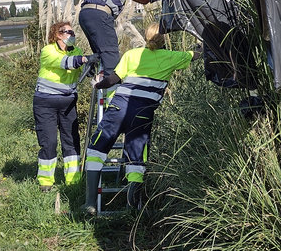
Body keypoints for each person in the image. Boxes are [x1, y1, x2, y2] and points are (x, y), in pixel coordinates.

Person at [82, 23, 196, 214]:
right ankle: (133, 209)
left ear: (146, 36)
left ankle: (90, 203)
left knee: (96, 149)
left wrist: (97, 85)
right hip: (142, 113)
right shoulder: (171, 57)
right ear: (164, 38)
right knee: (136, 158)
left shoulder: (132, 54)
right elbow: (195, 55)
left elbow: (114, 79)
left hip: (119, 107)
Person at [33, 21, 93, 192]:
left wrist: (91, 65)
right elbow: (66, 62)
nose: (72, 35)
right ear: (58, 35)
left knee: (71, 140)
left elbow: (81, 66)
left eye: (73, 32)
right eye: (68, 32)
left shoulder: (76, 51)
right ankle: (46, 181)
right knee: (49, 141)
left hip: (68, 102)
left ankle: (73, 181)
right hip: (45, 102)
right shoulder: (48, 51)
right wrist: (84, 59)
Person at [78, 0, 153, 83]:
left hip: (86, 14)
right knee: (111, 60)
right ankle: (112, 91)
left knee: (103, 57)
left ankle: (96, 74)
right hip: (100, 14)